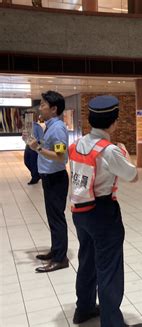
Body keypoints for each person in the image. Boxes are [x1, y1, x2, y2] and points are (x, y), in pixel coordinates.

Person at [69, 96, 142, 327]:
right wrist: (124, 153)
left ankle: (84, 308)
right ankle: (112, 323)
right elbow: (133, 176)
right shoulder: (110, 150)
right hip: (102, 212)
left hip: (79, 209)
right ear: (113, 122)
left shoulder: (77, 144)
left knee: (87, 259)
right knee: (109, 268)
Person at [27, 91, 69, 273]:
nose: (40, 108)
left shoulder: (58, 128)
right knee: (52, 218)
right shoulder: (50, 126)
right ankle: (56, 250)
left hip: (56, 179)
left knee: (57, 218)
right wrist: (35, 145)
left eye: (43, 105)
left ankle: (61, 258)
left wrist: (38, 147)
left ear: (54, 109)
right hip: (49, 177)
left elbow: (61, 157)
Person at [23, 110, 44, 185]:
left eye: (31, 115)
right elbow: (25, 136)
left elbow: (41, 138)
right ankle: (37, 175)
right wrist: (24, 138)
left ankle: (35, 177)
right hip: (28, 145)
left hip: (34, 146)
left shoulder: (38, 127)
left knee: (33, 163)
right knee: (26, 162)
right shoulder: (26, 126)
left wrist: (38, 146)